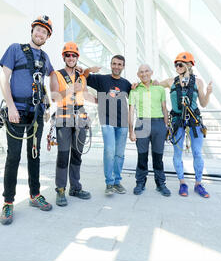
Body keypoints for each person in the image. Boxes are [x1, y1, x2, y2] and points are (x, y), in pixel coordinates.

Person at [0, 15, 55, 225]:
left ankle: (35, 194)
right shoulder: (15, 49)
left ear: (47, 37)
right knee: (13, 156)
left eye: (45, 32)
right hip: (17, 111)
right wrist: (11, 106)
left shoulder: (46, 58)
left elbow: (47, 83)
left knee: (34, 154)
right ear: (32, 31)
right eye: (38, 30)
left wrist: (48, 105)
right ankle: (8, 202)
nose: (40, 34)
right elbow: (4, 77)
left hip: (36, 114)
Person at [155, 52, 212, 198]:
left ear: (189, 66)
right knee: (177, 153)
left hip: (194, 122)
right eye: (176, 65)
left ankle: (199, 184)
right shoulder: (170, 82)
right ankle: (182, 183)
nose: (177, 67)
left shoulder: (198, 82)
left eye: (180, 65)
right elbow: (153, 84)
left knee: (197, 153)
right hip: (177, 122)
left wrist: (209, 93)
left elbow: (204, 103)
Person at [50, 42, 93, 207]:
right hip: (63, 116)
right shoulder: (56, 74)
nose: (70, 57)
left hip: (80, 116)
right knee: (63, 154)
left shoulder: (82, 77)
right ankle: (60, 189)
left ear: (77, 58)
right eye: (67, 55)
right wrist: (70, 89)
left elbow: (85, 95)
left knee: (77, 155)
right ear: (63, 57)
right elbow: (54, 97)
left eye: (73, 55)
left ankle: (75, 187)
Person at [84, 55, 132, 195]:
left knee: (120, 154)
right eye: (114, 63)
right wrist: (88, 69)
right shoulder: (101, 79)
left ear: (123, 66)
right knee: (110, 151)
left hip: (122, 123)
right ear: (111, 65)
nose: (116, 66)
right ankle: (109, 183)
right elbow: (84, 77)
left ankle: (117, 181)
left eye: (119, 64)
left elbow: (134, 98)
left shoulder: (126, 84)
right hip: (107, 121)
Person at [128, 64, 171, 196]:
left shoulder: (159, 89)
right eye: (141, 72)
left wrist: (167, 127)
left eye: (146, 71)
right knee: (142, 156)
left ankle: (160, 183)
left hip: (159, 124)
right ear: (138, 74)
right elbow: (131, 112)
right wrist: (131, 131)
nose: (144, 74)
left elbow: (164, 109)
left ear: (151, 72)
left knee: (158, 157)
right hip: (141, 123)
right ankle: (140, 183)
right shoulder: (134, 90)